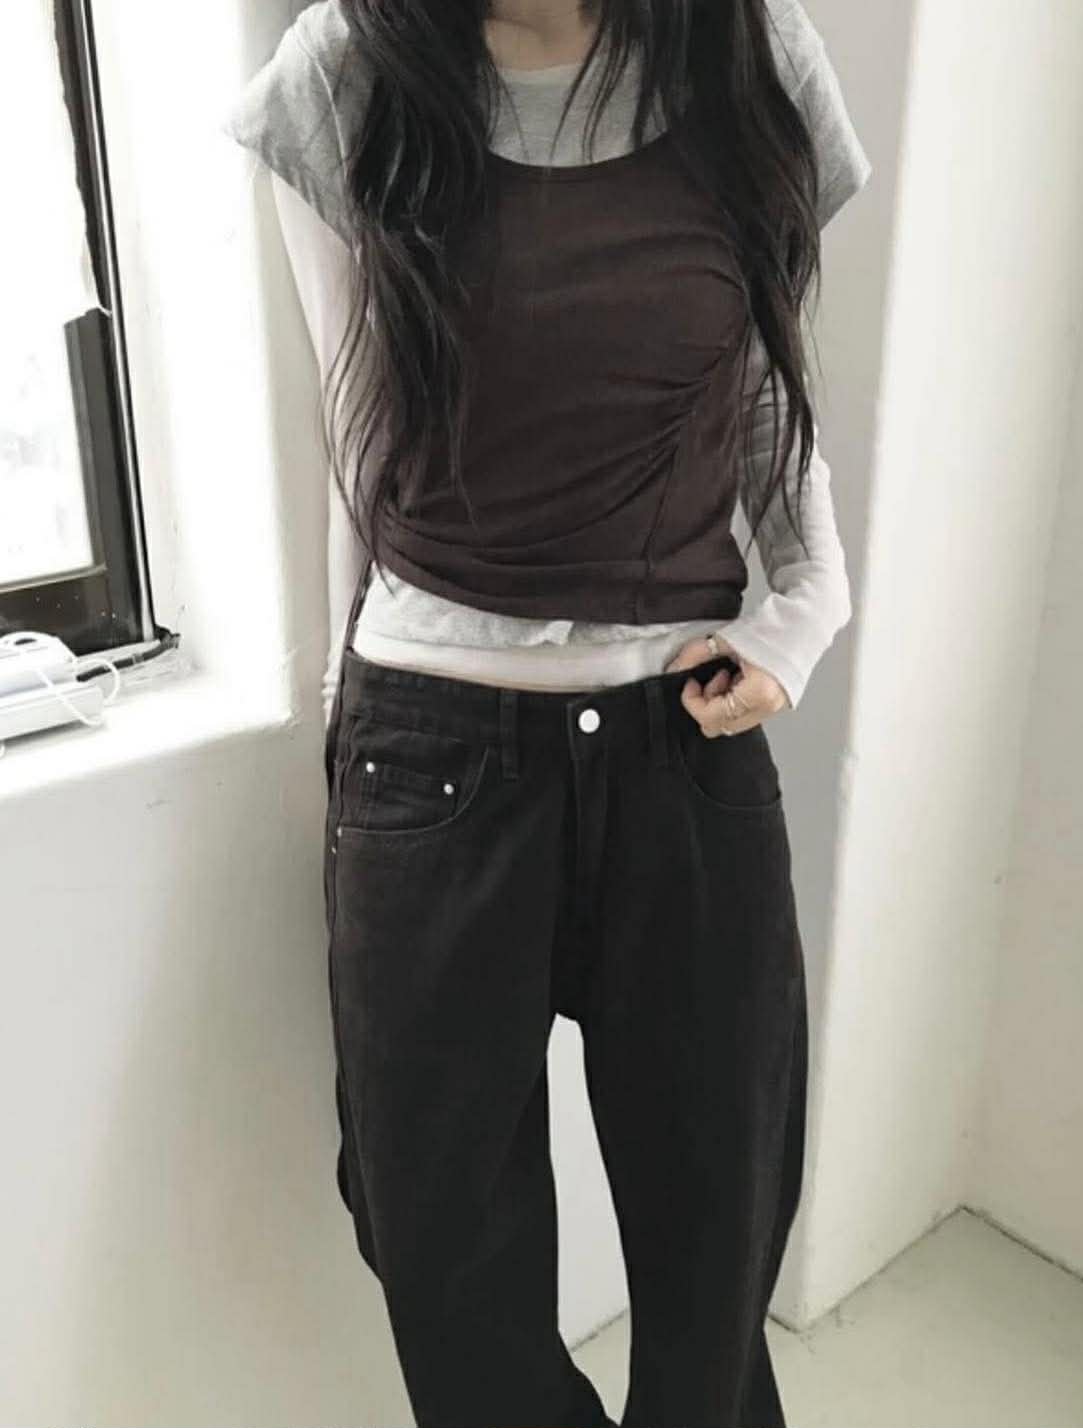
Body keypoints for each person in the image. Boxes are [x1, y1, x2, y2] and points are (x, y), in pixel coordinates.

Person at [223, 3, 869, 1424]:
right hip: (433, 743)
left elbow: (762, 388)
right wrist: (353, 721)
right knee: (432, 1238)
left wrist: (805, 615)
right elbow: (361, 433)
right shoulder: (347, 70)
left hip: (682, 743)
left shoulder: (746, 50)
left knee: (720, 1231)